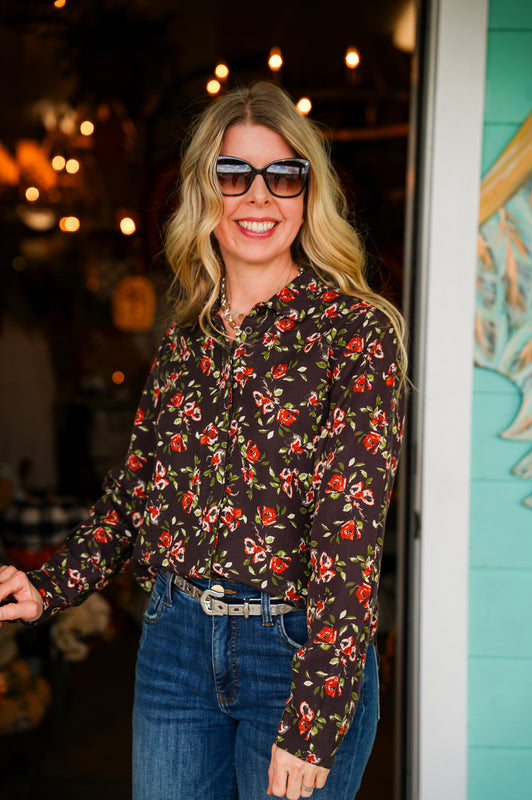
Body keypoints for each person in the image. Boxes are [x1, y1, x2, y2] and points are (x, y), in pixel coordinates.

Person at [0, 81, 406, 800]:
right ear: (204, 194)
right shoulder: (187, 335)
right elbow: (135, 494)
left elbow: (349, 543)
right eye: (233, 175)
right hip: (176, 644)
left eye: (283, 176)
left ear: (308, 194)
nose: (259, 197)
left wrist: (313, 720)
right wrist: (48, 586)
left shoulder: (355, 333)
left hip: (295, 655)